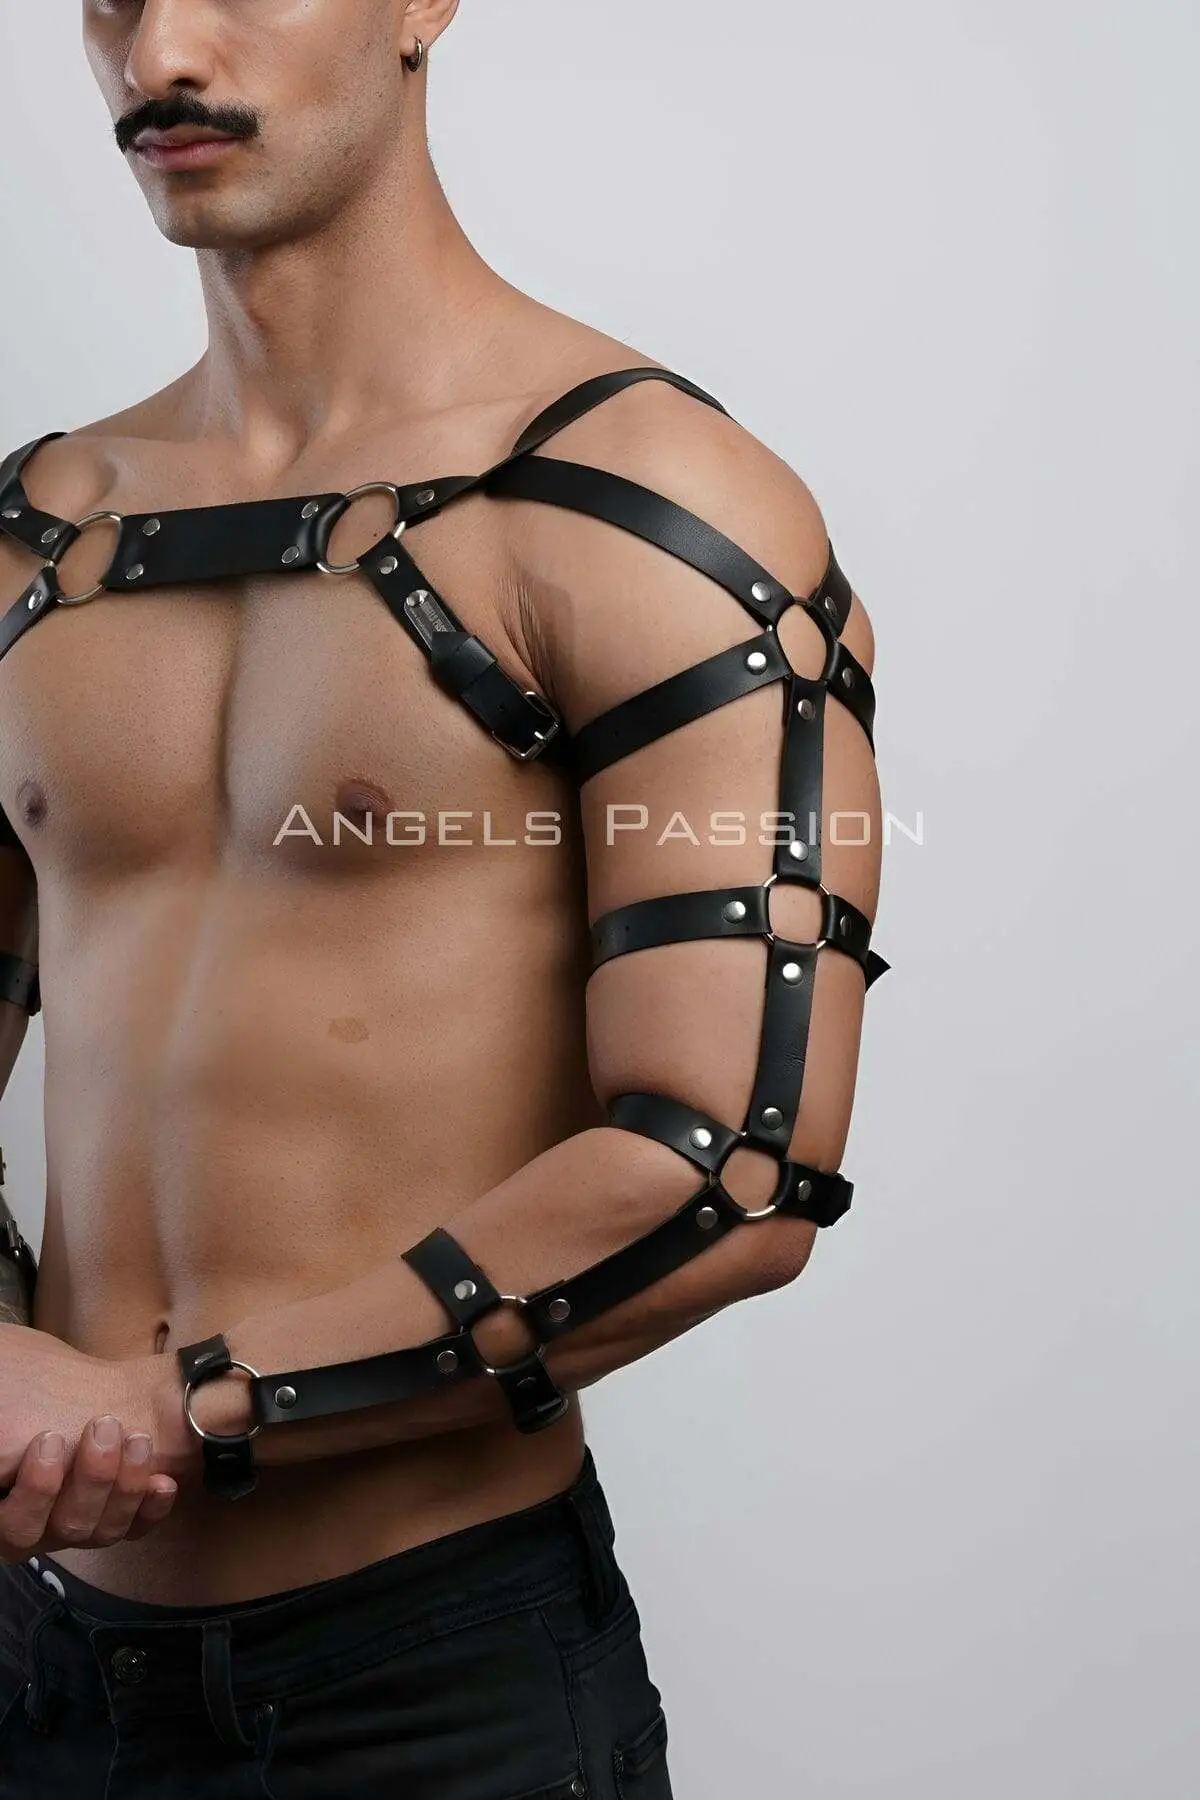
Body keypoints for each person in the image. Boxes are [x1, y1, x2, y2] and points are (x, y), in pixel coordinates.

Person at [0, 1, 889, 1793]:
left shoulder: (647, 511)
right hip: (42, 1673)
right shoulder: (33, 541)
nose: (159, 53)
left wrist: (162, 1407)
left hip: (435, 1687)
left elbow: (731, 1165)